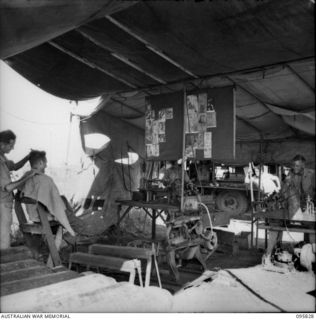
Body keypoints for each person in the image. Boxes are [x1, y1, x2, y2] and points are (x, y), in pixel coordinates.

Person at [262, 155, 315, 267]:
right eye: (293, 165)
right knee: (275, 224)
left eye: (297, 165)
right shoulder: (290, 175)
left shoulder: (311, 174)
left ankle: (310, 257)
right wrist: (278, 197)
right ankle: (268, 255)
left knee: (311, 228)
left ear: (303, 165)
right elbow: (284, 191)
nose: (294, 167)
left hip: (308, 208)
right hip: (293, 209)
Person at [0, 130, 35, 250]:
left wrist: (27, 158)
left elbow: (14, 167)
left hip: (3, 202)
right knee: (4, 239)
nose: (13, 148)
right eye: (11, 145)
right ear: (2, 144)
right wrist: (26, 177)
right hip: (2, 203)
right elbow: (8, 187)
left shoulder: (2, 157)